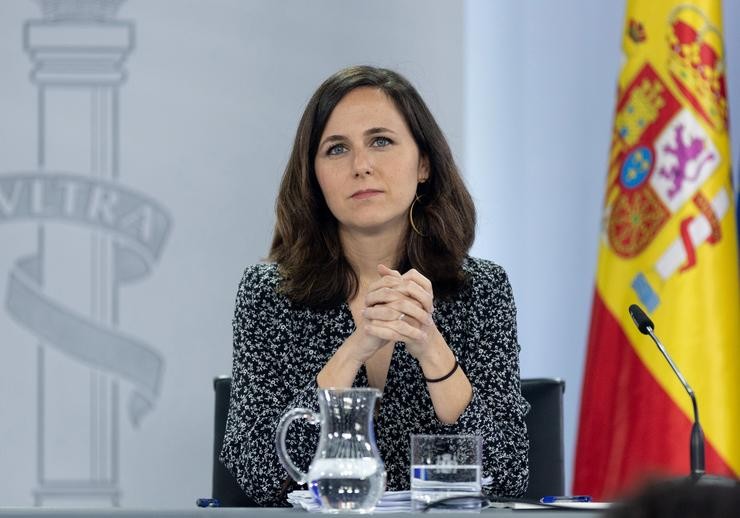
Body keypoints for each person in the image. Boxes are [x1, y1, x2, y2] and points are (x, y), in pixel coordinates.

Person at [220, 65, 529, 507]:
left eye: (381, 141)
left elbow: (505, 473)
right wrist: (354, 348)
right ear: (314, 177)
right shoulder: (270, 294)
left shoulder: (480, 290)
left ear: (424, 163)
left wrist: (430, 346)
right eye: (336, 149)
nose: (361, 166)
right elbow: (261, 476)